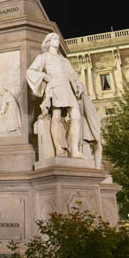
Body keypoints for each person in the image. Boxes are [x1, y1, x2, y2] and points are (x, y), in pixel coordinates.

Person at [26, 33, 101, 162]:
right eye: (54, 39)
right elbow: (30, 71)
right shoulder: (43, 57)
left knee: (76, 116)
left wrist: (78, 86)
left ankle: (74, 150)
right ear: (48, 42)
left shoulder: (64, 60)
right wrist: (44, 77)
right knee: (56, 115)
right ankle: (58, 148)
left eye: (58, 39)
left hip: (67, 88)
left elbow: (73, 75)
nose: (57, 41)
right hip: (55, 87)